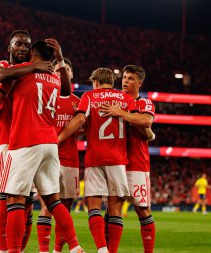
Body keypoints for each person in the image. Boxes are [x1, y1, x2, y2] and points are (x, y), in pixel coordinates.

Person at [0, 40, 84, 253]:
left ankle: (14, 251)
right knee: (53, 200)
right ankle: (74, 246)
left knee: (15, 198)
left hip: (25, 140)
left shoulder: (22, 72)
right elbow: (66, 89)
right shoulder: (55, 78)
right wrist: (60, 60)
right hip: (50, 143)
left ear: (33, 55)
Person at [59, 67, 152, 253]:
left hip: (95, 158)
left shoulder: (88, 97)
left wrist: (58, 139)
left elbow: (78, 121)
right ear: (113, 81)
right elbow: (140, 121)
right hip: (118, 160)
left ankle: (102, 249)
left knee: (94, 207)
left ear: (95, 82)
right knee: (115, 209)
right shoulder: (125, 99)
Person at [0, 30, 56, 253]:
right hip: (5, 140)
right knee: (7, 199)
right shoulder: (3, 65)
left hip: (29, 141)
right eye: (18, 44)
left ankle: (19, 249)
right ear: (9, 47)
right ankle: (2, 250)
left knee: (27, 202)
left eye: (27, 45)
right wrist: (35, 67)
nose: (23, 48)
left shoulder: (32, 72)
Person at [100, 65, 156, 252]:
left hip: (137, 164)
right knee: (112, 208)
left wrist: (123, 114)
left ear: (140, 82)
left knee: (142, 209)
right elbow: (147, 131)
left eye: (131, 78)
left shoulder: (145, 103)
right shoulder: (116, 101)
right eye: (124, 77)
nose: (125, 81)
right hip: (116, 162)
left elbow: (147, 121)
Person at [36, 58, 81, 253]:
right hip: (47, 158)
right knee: (47, 206)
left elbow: (83, 128)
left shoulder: (77, 103)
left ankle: (57, 250)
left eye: (66, 69)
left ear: (70, 75)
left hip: (70, 159)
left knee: (66, 209)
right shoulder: (45, 98)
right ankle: (44, 250)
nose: (62, 72)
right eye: (57, 70)